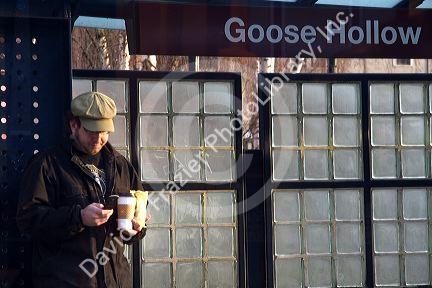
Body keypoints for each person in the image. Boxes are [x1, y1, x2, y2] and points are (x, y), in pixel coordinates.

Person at [16, 91, 148, 288]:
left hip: (116, 281)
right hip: (66, 280)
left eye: (104, 132)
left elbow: (136, 213)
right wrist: (79, 217)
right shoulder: (47, 165)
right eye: (91, 131)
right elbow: (27, 220)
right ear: (73, 125)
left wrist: (138, 225)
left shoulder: (122, 166)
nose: (99, 138)